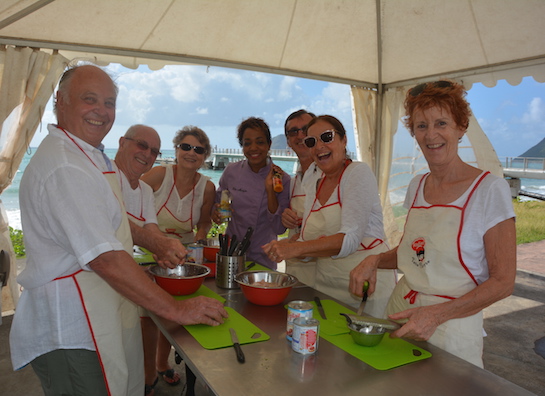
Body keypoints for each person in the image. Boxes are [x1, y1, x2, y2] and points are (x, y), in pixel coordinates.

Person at [9, 64, 228, 396]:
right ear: (60, 101)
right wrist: (176, 308)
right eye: (90, 99)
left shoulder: (88, 156)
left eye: (109, 103)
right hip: (70, 327)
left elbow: (105, 221)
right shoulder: (66, 167)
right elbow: (105, 259)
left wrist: (148, 237)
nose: (101, 111)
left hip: (95, 313)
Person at [349, 80, 516, 367]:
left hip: (453, 324)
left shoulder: (489, 190)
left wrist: (437, 315)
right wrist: (374, 260)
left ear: (461, 127)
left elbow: (503, 282)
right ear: (413, 131)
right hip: (402, 311)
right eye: (421, 125)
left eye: (441, 123)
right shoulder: (417, 185)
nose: (431, 135)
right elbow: (414, 254)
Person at [263, 115, 397, 316]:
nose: (319, 146)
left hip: (367, 288)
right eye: (312, 142)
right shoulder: (313, 182)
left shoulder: (357, 173)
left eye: (327, 137)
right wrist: (288, 245)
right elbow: (309, 243)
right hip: (327, 286)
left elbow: (350, 239)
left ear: (344, 140)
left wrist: (297, 248)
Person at [114, 125, 182, 395]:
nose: (147, 154)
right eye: (141, 145)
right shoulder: (105, 178)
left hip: (124, 275)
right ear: (121, 143)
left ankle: (143, 381)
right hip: (102, 278)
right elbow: (118, 223)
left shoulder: (143, 189)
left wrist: (165, 249)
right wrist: (158, 244)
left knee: (129, 345)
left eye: (154, 151)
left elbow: (150, 228)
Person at [214, 117, 290, 269]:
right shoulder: (231, 171)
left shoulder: (282, 179)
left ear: (269, 145)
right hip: (230, 252)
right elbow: (217, 205)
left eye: (260, 142)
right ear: (242, 147)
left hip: (262, 256)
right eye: (247, 143)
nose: (253, 148)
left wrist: (270, 191)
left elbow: (279, 228)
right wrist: (215, 213)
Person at [141, 126, 215, 244]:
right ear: (176, 150)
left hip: (186, 251)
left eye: (198, 150)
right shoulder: (159, 174)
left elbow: (204, 221)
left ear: (205, 156)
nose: (191, 153)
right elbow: (130, 197)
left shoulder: (207, 188)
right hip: (149, 245)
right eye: (186, 147)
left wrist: (201, 234)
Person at [280, 109, 321, 286]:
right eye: (293, 132)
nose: (300, 135)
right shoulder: (292, 181)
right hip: (297, 269)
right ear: (288, 141)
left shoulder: (334, 176)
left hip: (327, 269)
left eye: (306, 129)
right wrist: (286, 218)